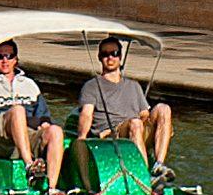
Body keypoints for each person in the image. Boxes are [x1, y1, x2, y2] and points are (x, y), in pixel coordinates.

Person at [0, 36, 75, 195]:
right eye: (0, 57)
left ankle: (52, 188)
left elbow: (44, 117)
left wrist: (44, 124)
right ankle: (29, 167)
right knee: (17, 110)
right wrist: (1, 118)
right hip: (0, 137)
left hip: (28, 135)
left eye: (9, 56)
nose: (5, 60)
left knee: (55, 130)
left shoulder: (29, 85)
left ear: (16, 60)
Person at [72, 33, 173, 179]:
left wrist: (146, 121)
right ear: (100, 57)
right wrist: (82, 139)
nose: (110, 57)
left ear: (120, 57)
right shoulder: (92, 86)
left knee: (164, 108)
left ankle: (158, 165)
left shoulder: (133, 85)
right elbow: (86, 114)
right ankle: (144, 176)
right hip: (112, 134)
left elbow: (144, 114)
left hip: (136, 129)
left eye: (114, 53)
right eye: (105, 54)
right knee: (135, 123)